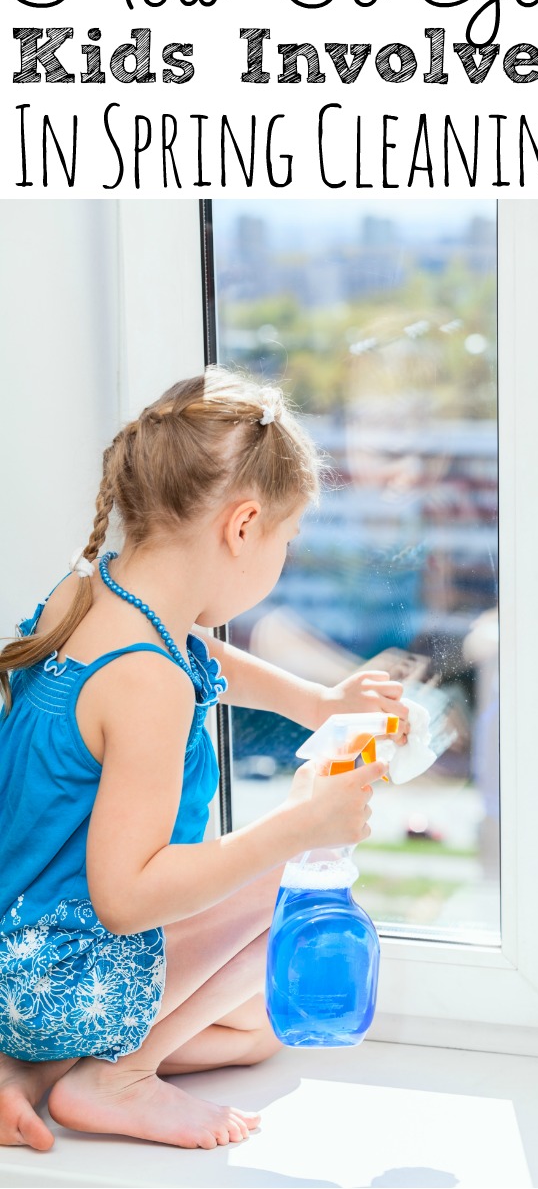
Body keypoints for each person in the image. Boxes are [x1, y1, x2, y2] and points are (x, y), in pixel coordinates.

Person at [0, 365, 409, 1153]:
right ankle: (109, 1080)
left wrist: (317, 705)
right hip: (50, 979)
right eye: (288, 539)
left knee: (255, 1031)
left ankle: (31, 1073)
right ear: (245, 525)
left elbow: (195, 651)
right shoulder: (145, 682)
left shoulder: (93, 592)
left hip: (19, 955)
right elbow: (125, 900)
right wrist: (298, 828)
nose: (283, 555)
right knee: (288, 874)